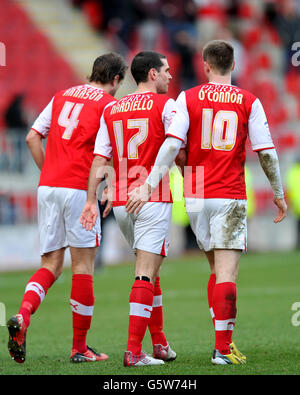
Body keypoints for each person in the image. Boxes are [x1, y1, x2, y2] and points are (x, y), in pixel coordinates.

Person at [126, 40, 288, 365]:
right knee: (227, 273)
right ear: (234, 65)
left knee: (216, 271)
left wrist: (148, 184)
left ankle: (224, 341)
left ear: (206, 66)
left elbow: (173, 146)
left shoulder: (187, 98)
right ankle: (222, 349)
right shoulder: (248, 101)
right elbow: (267, 153)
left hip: (196, 191)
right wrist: (278, 194)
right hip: (228, 191)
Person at [7, 52, 127, 364]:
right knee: (83, 266)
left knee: (51, 264)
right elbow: (108, 154)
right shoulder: (109, 104)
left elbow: (33, 137)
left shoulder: (61, 96)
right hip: (78, 189)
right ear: (115, 80)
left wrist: (49, 173)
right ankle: (79, 347)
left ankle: (22, 316)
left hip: (48, 187)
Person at [80, 51, 179, 367]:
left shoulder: (112, 108)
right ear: (152, 74)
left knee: (151, 269)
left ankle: (160, 343)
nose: (170, 76)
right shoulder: (166, 105)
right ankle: (134, 351)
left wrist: (93, 198)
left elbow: (100, 158)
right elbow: (175, 144)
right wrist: (150, 183)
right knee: (145, 273)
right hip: (150, 197)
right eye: (166, 71)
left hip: (121, 202)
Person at [286, 156, 300, 249]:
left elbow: (289, 191)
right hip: (297, 205)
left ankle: (298, 244)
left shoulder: (291, 173)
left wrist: (289, 204)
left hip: (297, 205)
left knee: (298, 227)